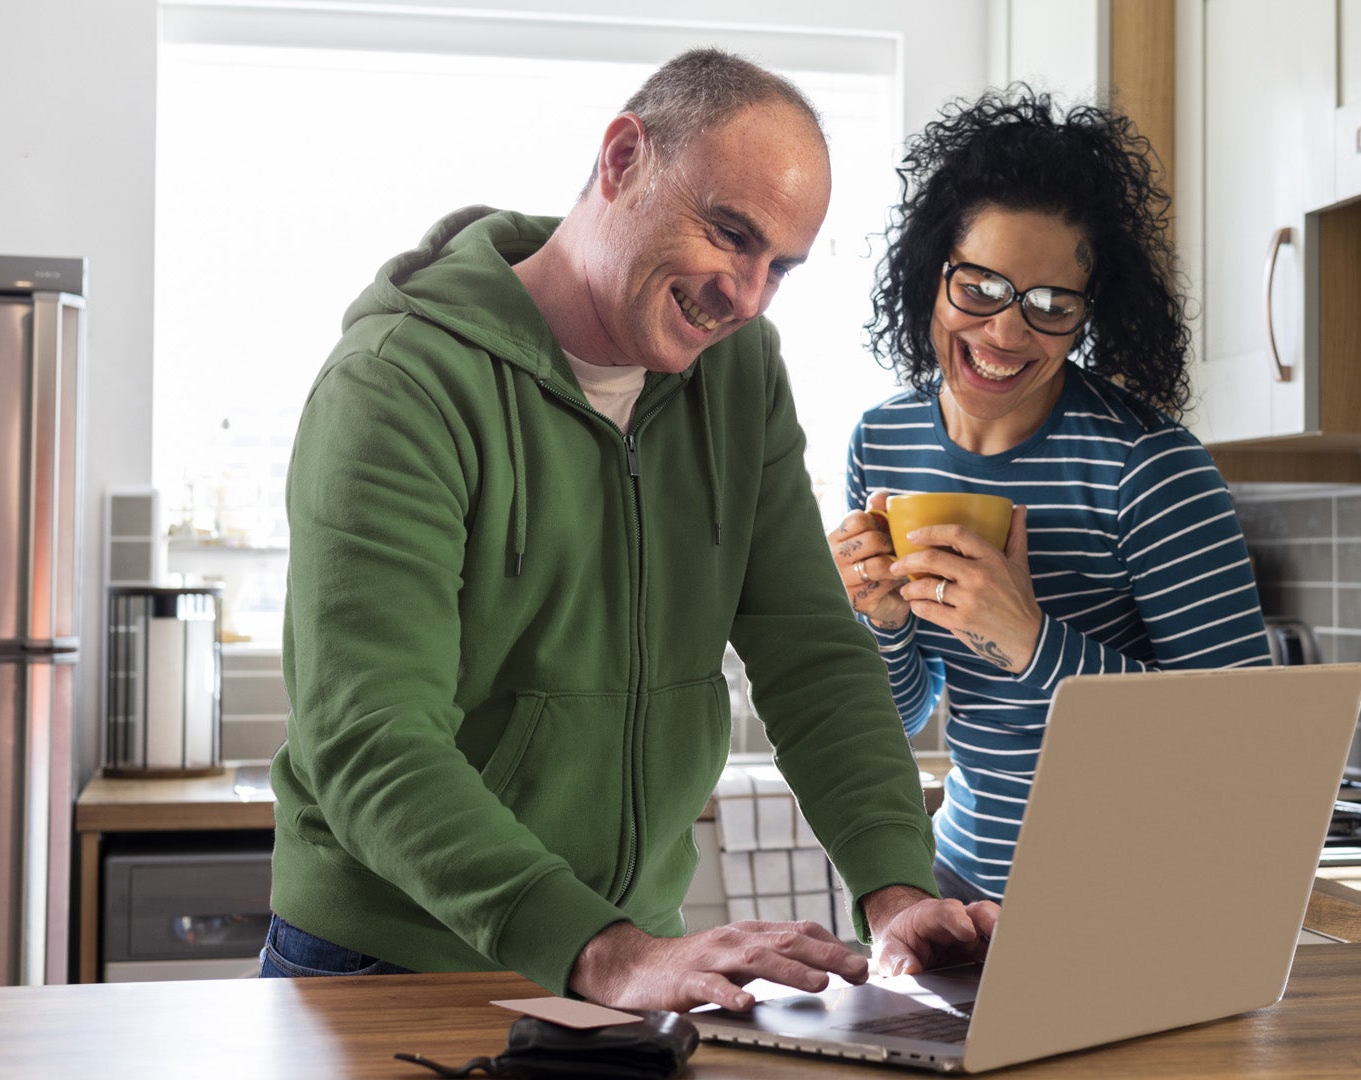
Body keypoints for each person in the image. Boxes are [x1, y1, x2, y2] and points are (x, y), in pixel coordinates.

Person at [265, 48, 995, 1012]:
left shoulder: (741, 378)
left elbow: (810, 656)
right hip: (393, 963)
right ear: (621, 160)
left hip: (626, 967)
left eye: (780, 267)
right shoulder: (399, 382)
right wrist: (603, 951)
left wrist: (895, 892)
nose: (746, 296)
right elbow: (368, 738)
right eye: (730, 234)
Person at [826, 89, 1275, 904]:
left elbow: (1245, 749)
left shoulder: (1149, 467)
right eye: (980, 287)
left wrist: (1032, 640)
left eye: (1049, 306)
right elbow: (903, 710)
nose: (1005, 332)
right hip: (954, 877)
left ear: (1086, 317)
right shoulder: (882, 443)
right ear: (933, 274)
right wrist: (884, 623)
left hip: (1123, 897)